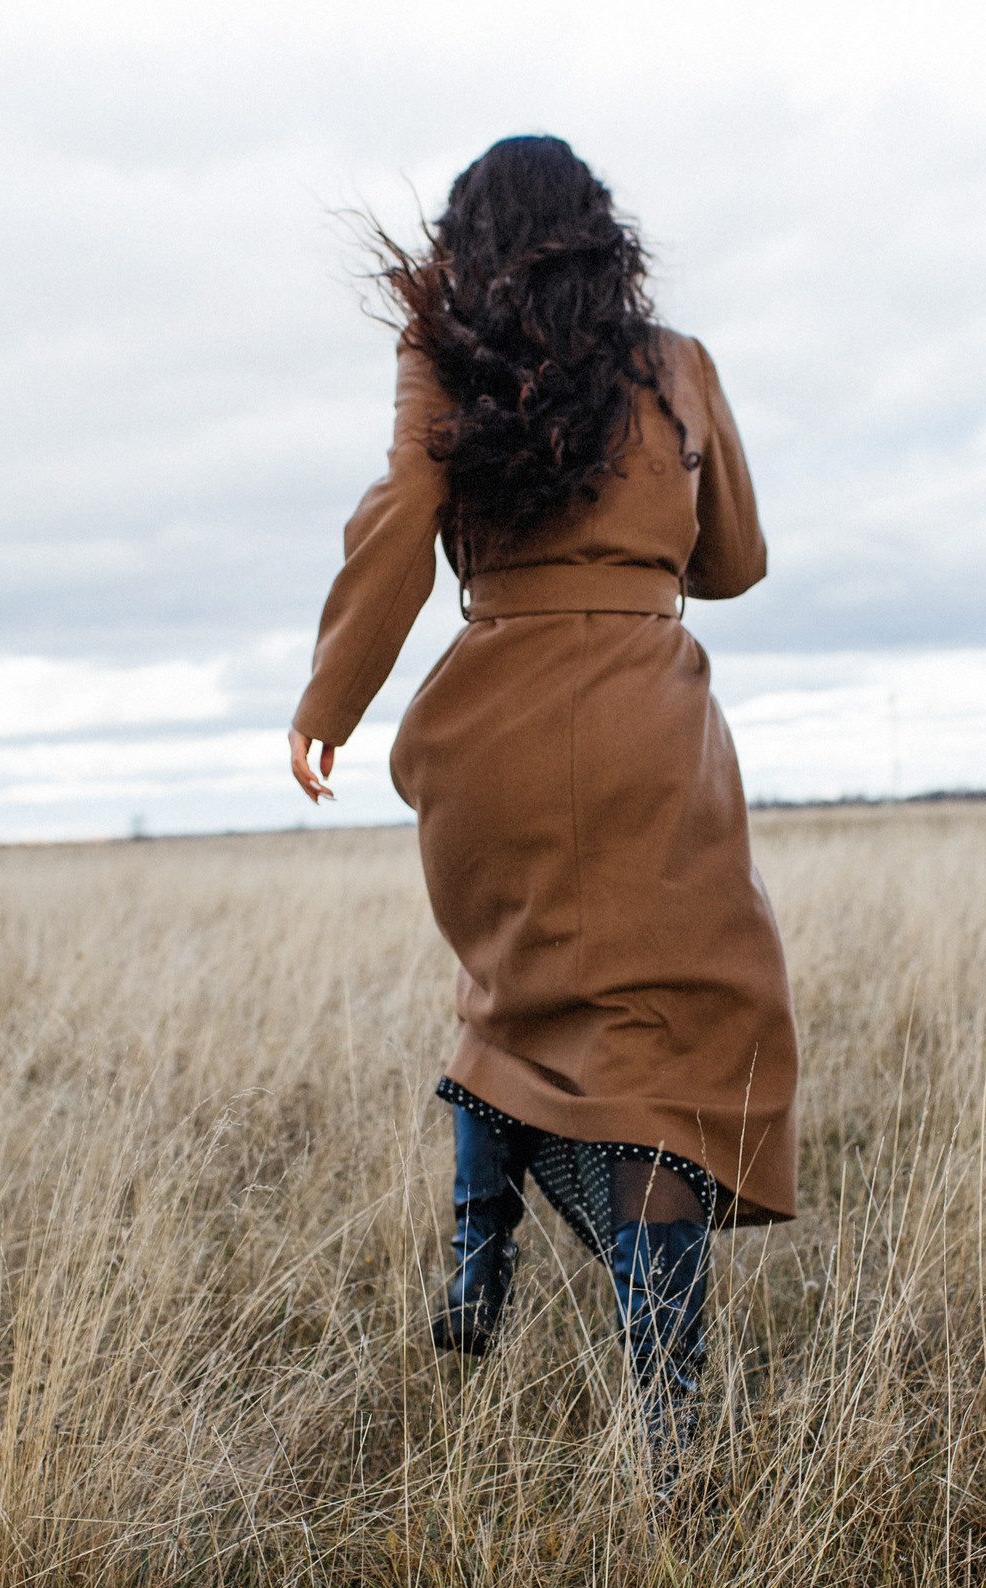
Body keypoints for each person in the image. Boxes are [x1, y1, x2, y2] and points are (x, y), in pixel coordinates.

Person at [289, 135, 799, 1473]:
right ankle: (666, 1398)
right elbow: (734, 561)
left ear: (469, 246)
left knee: (510, 983)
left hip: (488, 728)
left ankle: (479, 1248)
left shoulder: (443, 366)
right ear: (601, 239)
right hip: (645, 724)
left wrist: (328, 705)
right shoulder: (674, 365)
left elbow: (404, 520)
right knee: (668, 1039)